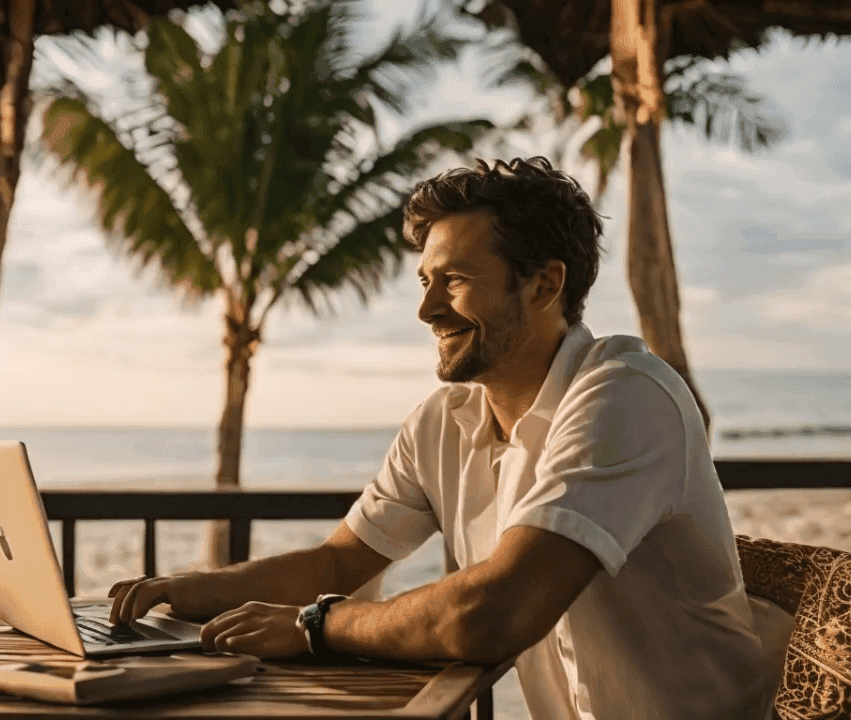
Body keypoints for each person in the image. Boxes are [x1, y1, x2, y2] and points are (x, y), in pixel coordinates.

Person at [107, 157, 788, 719]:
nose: (427, 308)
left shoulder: (626, 394)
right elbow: (336, 564)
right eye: (426, 280)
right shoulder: (443, 421)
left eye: (455, 281)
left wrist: (315, 626)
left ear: (545, 284)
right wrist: (187, 592)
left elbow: (496, 610)